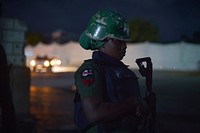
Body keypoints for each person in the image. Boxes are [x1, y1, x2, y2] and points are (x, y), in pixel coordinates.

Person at [74, 9, 147, 133]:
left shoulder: (122, 70)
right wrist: (133, 102)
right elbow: (94, 113)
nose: (124, 46)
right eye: (118, 41)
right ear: (101, 42)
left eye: (124, 41)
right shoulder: (91, 70)